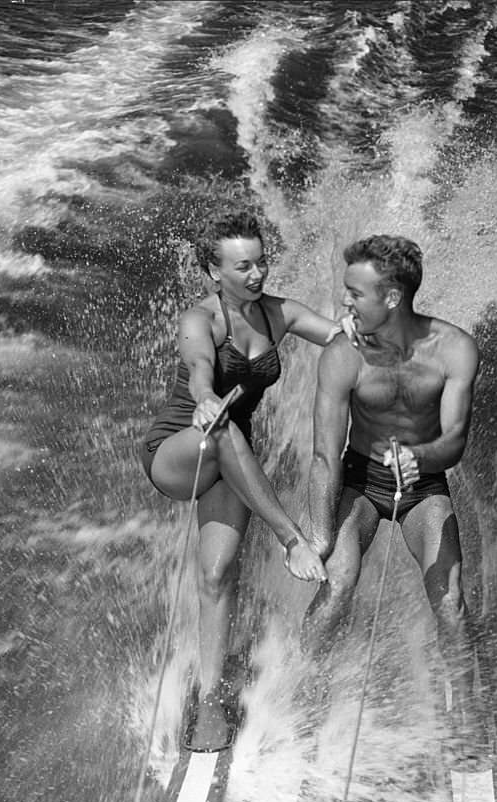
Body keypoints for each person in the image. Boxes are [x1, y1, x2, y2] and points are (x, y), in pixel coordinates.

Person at [142, 209, 344, 751]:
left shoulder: (279, 314)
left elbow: (342, 341)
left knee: (218, 571)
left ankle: (209, 699)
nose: (257, 274)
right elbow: (200, 363)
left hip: (232, 458)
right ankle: (292, 539)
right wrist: (205, 396)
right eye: (243, 266)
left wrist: (366, 330)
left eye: (261, 262)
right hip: (183, 448)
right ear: (214, 270)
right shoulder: (200, 319)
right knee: (228, 430)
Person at [303, 234, 481, 744]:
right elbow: (323, 456)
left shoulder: (455, 349)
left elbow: (453, 443)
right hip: (359, 481)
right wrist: (319, 536)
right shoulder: (344, 354)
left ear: (392, 298)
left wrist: (417, 456)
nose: (344, 303)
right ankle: (305, 691)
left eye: (355, 294)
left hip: (423, 486)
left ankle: (465, 713)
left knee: (450, 601)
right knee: (337, 585)